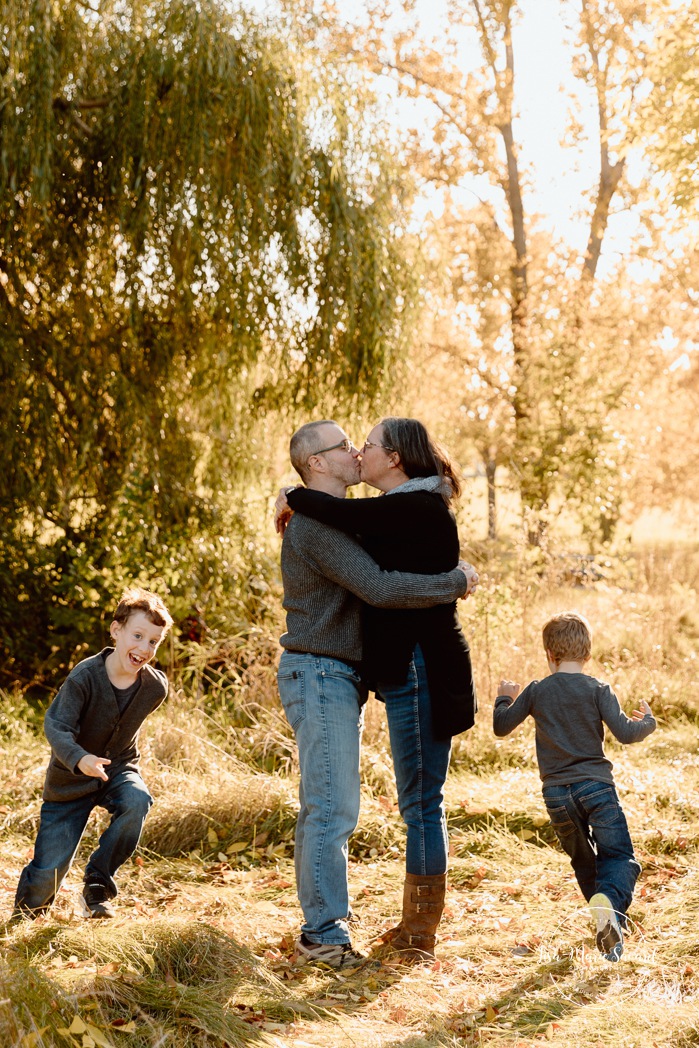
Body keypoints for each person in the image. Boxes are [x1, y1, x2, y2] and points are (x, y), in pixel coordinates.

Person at [276, 417, 478, 962]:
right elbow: (380, 588)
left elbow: (379, 536)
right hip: (319, 671)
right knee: (332, 807)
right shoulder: (319, 525)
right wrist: (456, 581)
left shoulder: (343, 519)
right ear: (318, 462)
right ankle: (323, 934)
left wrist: (291, 499)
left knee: (343, 805)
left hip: (339, 675)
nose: (354, 451)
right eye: (343, 446)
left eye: (360, 443)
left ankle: (360, 929)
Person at [493, 611, 656, 962]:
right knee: (620, 857)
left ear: (549, 655)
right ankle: (610, 905)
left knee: (584, 860)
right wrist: (649, 723)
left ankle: (608, 929)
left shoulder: (537, 690)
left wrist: (504, 697)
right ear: (587, 654)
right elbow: (626, 733)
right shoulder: (598, 689)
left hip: (556, 794)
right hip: (597, 787)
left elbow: (502, 726)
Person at [13, 587, 173, 920]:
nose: (144, 648)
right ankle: (26, 918)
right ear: (116, 630)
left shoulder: (154, 687)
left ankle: (97, 886)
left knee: (137, 800)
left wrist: (117, 765)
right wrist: (80, 758)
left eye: (153, 642)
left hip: (116, 771)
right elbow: (56, 726)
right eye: (138, 635)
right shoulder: (85, 677)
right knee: (47, 874)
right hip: (70, 780)